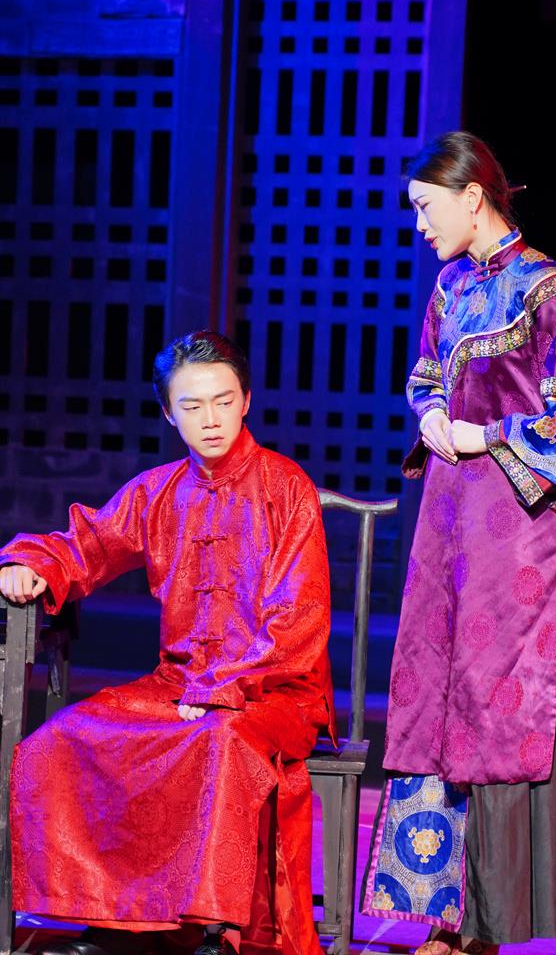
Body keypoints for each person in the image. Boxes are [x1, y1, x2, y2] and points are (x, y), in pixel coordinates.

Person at [0, 331, 336, 955]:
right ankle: (113, 921)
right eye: (192, 405)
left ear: (246, 401)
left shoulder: (286, 487)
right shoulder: (157, 491)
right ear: (168, 413)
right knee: (63, 739)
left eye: (223, 401)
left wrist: (221, 688)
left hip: (274, 690)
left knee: (220, 740)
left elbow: (300, 616)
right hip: (177, 684)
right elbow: (88, 543)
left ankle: (216, 931)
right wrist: (33, 564)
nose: (211, 419)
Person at [361, 132, 556, 955]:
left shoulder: (549, 289)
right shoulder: (452, 285)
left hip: (516, 538)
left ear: (473, 197)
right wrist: (432, 413)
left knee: (494, 712)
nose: (420, 225)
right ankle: (437, 912)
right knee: (433, 703)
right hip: (447, 524)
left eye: (426, 208)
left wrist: (485, 435)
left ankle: (481, 927)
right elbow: (427, 372)